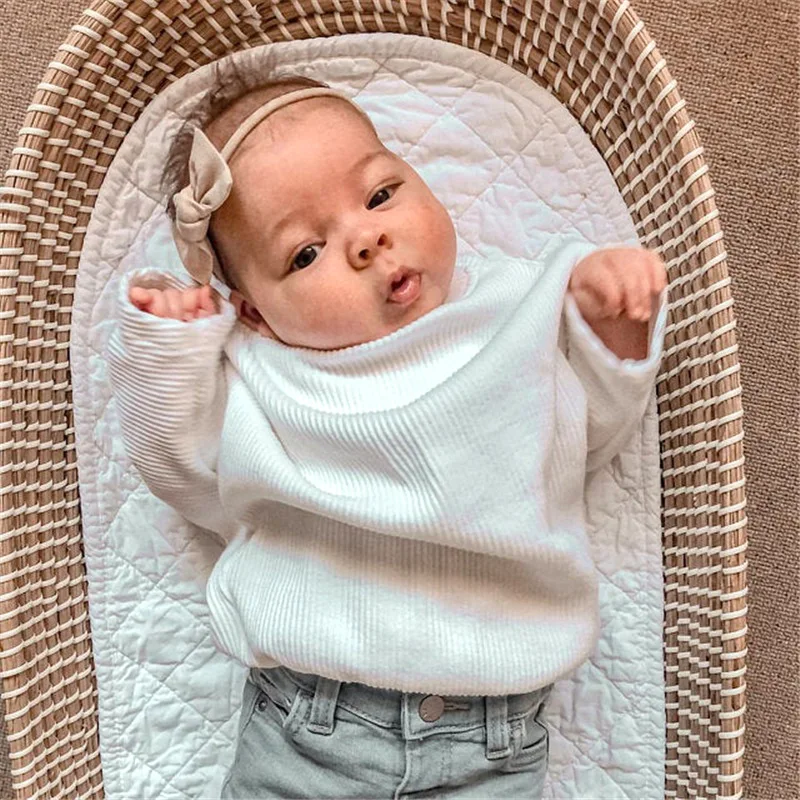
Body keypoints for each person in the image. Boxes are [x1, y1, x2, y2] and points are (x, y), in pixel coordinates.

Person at [108, 66, 667, 799]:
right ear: (255, 313)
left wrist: (611, 325)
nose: (367, 240)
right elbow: (178, 467)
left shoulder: (520, 309)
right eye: (305, 253)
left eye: (380, 195)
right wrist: (169, 350)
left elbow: (587, 431)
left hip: (492, 743)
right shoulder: (262, 374)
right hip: (306, 730)